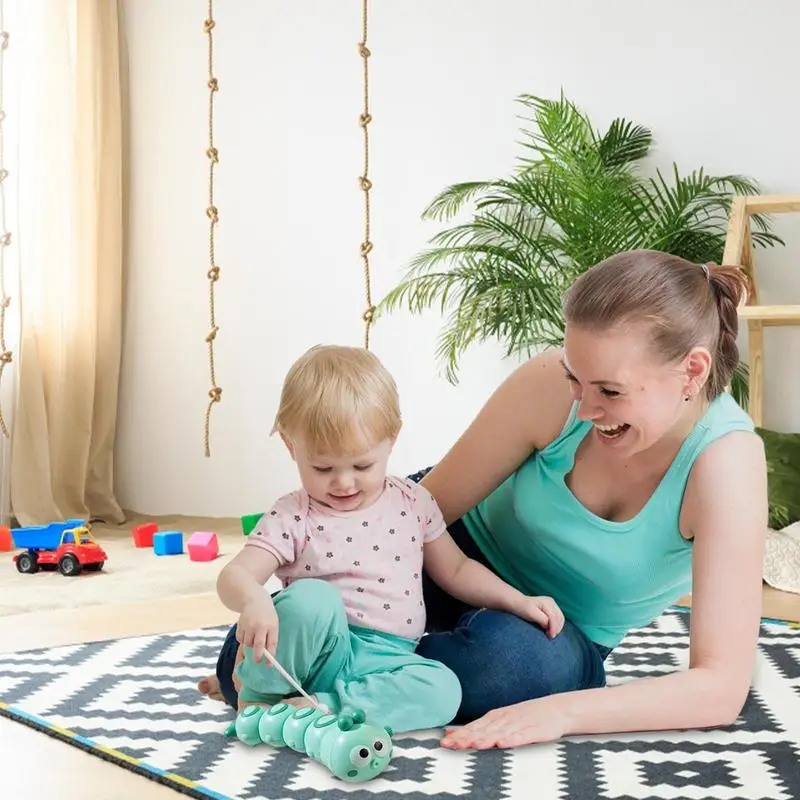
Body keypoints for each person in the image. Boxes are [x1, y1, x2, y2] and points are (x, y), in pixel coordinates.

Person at [200, 248, 768, 751]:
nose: (585, 408)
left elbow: (720, 688)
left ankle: (334, 685)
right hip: (436, 550)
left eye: (610, 392)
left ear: (692, 370)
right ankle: (350, 680)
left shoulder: (725, 466)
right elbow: (421, 513)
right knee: (254, 650)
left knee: (515, 670)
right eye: (576, 378)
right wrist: (337, 594)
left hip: (547, 629)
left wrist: (561, 712)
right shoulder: (551, 385)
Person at [201, 344, 566, 734]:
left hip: (387, 659)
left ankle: (326, 708)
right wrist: (254, 598)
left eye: (362, 465)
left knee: (444, 690)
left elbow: (457, 571)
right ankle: (262, 700)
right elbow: (234, 575)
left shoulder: (413, 502)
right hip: (318, 652)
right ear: (292, 447)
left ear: (392, 439)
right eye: (322, 468)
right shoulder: (294, 515)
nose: (343, 482)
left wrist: (520, 601)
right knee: (311, 598)